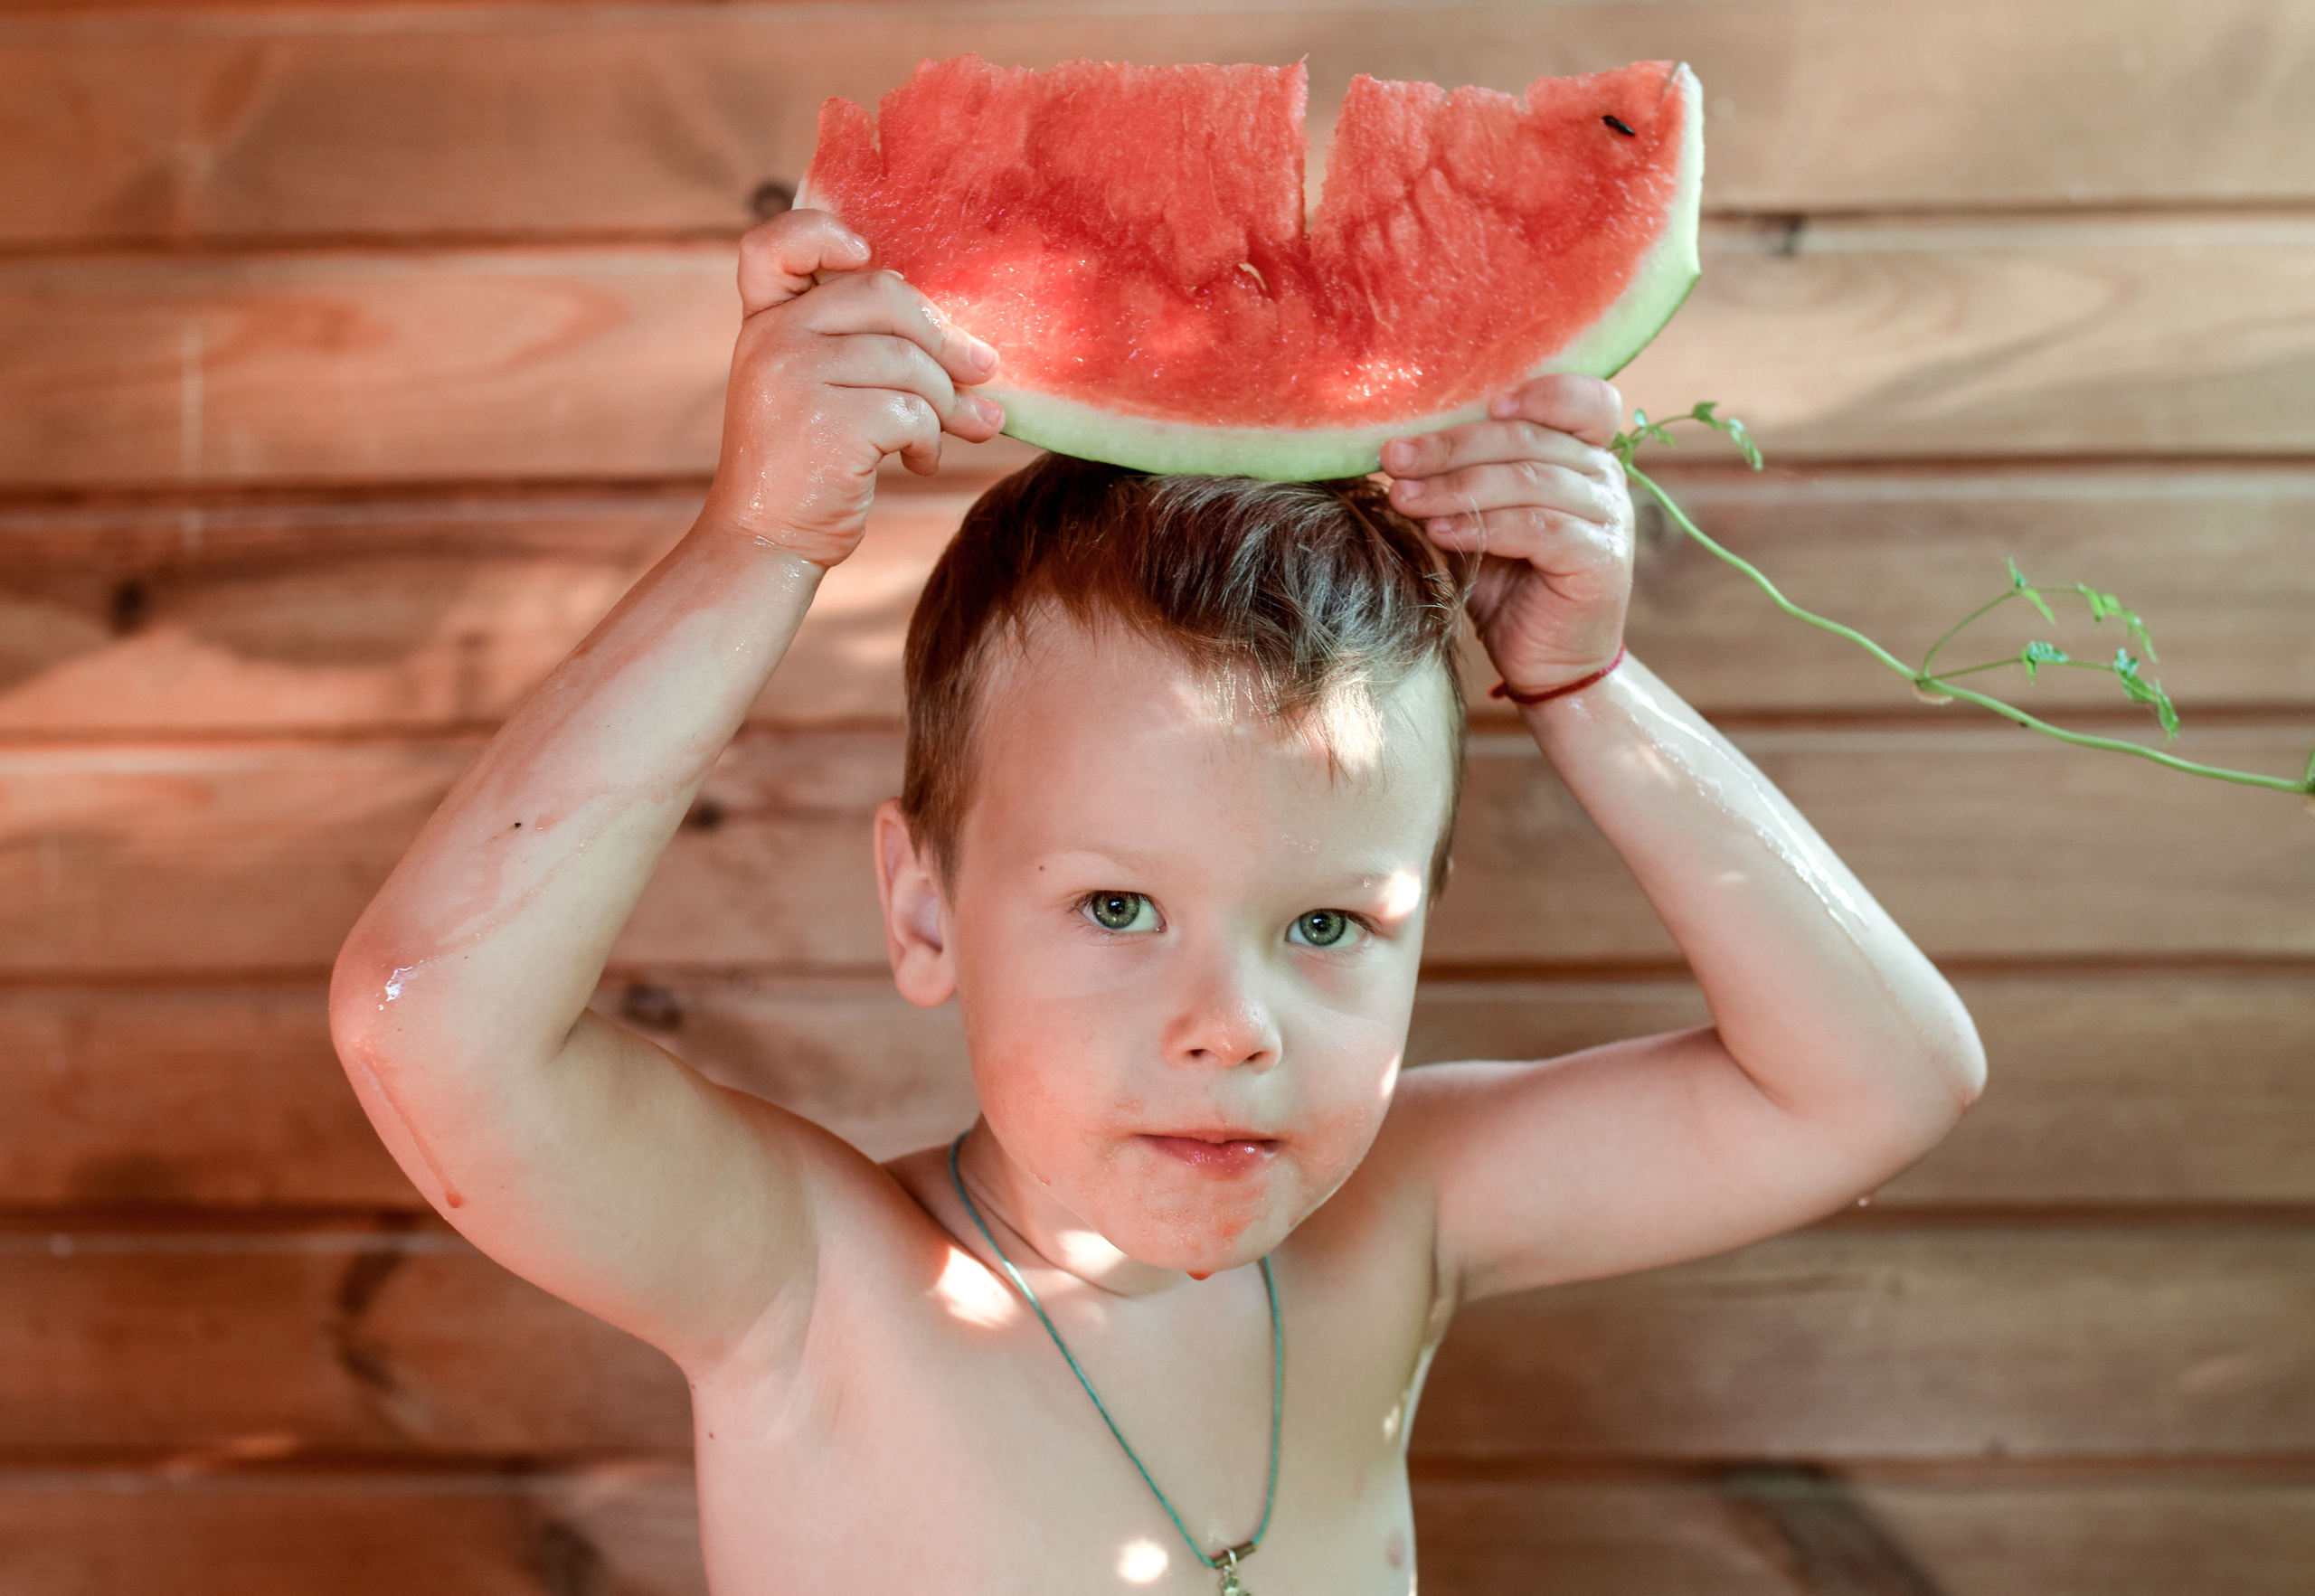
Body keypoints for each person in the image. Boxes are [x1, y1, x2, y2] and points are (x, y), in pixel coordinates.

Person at [330, 210, 1985, 1594]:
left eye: (1328, 925)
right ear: (925, 912)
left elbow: (1884, 1081)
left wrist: (1589, 684)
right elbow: (431, 1021)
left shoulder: (1395, 1220)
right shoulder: (807, 1284)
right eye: (1119, 907)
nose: (1230, 1029)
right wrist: (755, 541)